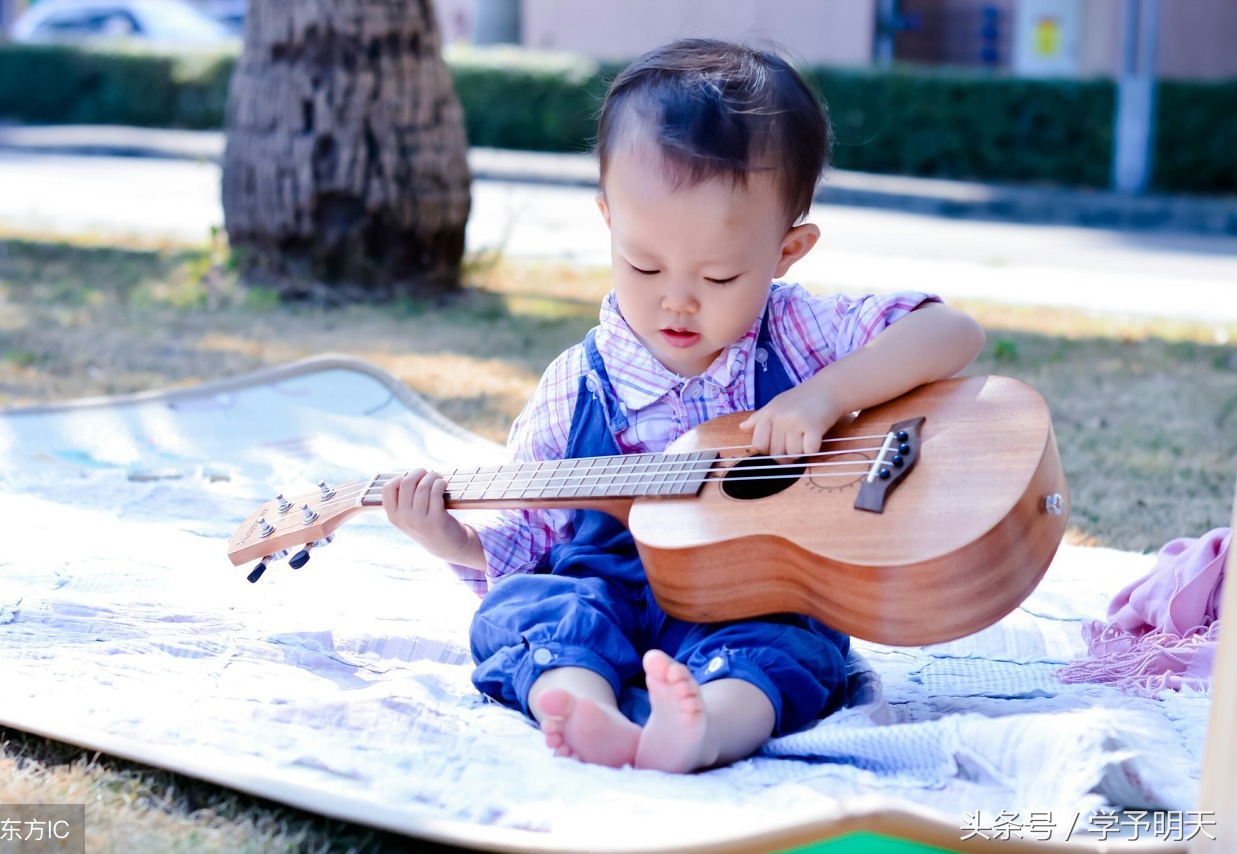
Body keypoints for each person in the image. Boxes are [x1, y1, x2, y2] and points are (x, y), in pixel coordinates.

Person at [382, 38, 985, 774]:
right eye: (644, 264)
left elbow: (951, 332)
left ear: (788, 252)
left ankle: (702, 730)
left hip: (751, 589)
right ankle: (584, 708)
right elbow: (530, 538)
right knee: (534, 611)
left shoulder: (794, 334)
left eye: (722, 275)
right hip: (608, 585)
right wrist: (452, 541)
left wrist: (825, 396)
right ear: (608, 220)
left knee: (785, 646)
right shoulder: (579, 385)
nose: (677, 297)